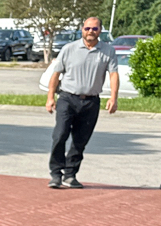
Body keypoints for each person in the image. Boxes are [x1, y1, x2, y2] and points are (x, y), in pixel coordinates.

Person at [44, 16, 119, 189]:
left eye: (94, 29)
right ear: (82, 30)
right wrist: (50, 98)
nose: (90, 32)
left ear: (100, 30)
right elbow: (56, 75)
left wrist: (113, 97)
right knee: (60, 135)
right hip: (67, 98)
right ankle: (56, 174)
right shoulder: (69, 49)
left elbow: (113, 74)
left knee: (80, 140)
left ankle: (70, 175)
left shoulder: (108, 51)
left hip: (91, 101)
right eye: (87, 28)